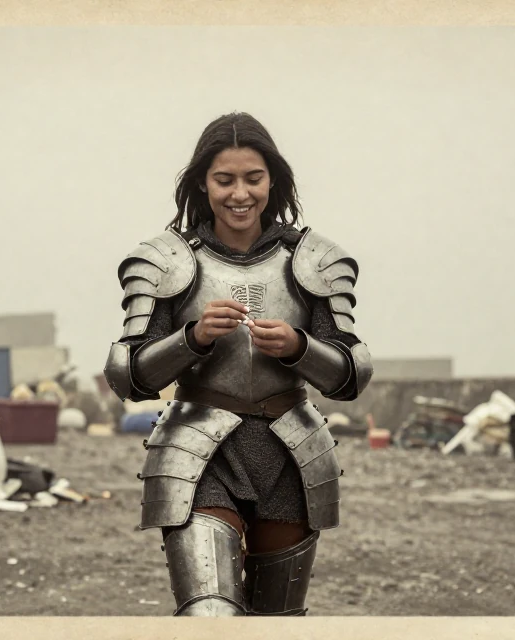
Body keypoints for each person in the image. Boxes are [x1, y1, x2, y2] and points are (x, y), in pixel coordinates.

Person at [103, 112, 373, 616]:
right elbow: (127, 373)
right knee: (210, 614)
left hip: (291, 452)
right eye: (224, 179)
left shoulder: (314, 260)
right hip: (198, 452)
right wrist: (192, 338)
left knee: (278, 621)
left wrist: (300, 346)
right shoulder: (165, 260)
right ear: (203, 184)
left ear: (273, 180)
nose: (239, 193)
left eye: (253, 178)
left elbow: (353, 374)